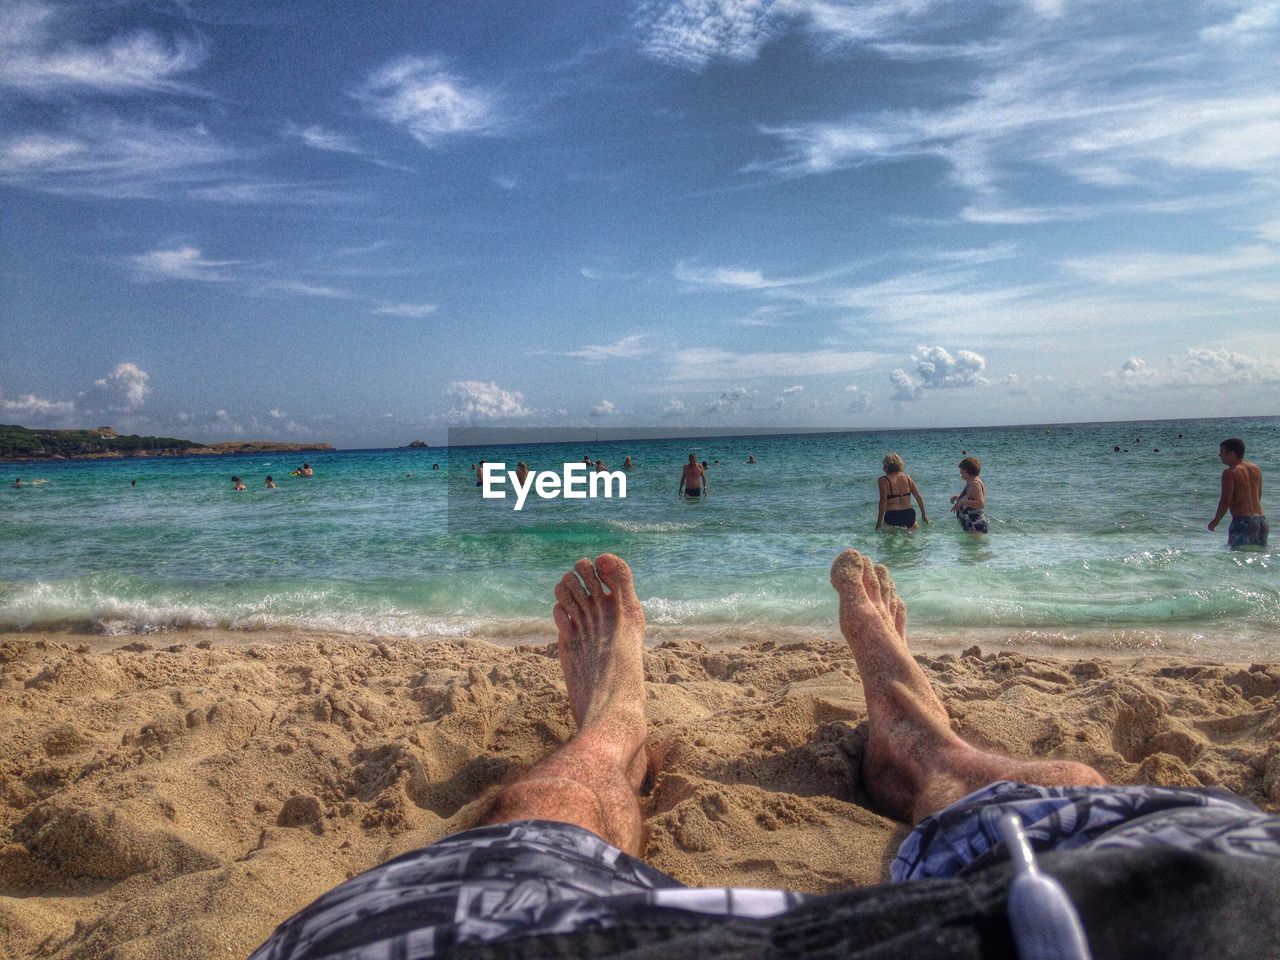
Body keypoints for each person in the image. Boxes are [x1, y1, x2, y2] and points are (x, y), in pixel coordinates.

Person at [250, 551, 1280, 960]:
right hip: (1194, 907)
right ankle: (910, 730)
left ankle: (609, 736)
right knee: (1065, 795)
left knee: (536, 817)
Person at [1208, 437, 1267, 549]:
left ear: (1231, 454)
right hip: (1261, 522)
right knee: (1258, 558)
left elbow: (1226, 501)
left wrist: (1216, 521)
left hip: (1242, 522)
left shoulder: (1230, 473)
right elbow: (1258, 495)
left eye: (1221, 452)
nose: (1219, 455)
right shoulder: (1256, 469)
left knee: (1238, 558)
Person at [877, 453, 927, 530]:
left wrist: (879, 522)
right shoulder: (907, 477)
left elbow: (883, 501)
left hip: (893, 515)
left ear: (887, 467)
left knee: (891, 541)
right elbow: (918, 497)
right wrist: (924, 515)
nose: (883, 469)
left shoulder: (883, 480)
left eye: (884, 466)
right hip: (909, 515)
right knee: (911, 540)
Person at [950, 456, 989, 534]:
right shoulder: (971, 482)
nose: (960, 473)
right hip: (971, 524)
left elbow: (980, 504)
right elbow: (971, 497)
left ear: (966, 470)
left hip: (975, 524)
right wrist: (958, 497)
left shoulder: (975, 483)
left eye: (961, 471)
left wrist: (962, 502)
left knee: (973, 546)